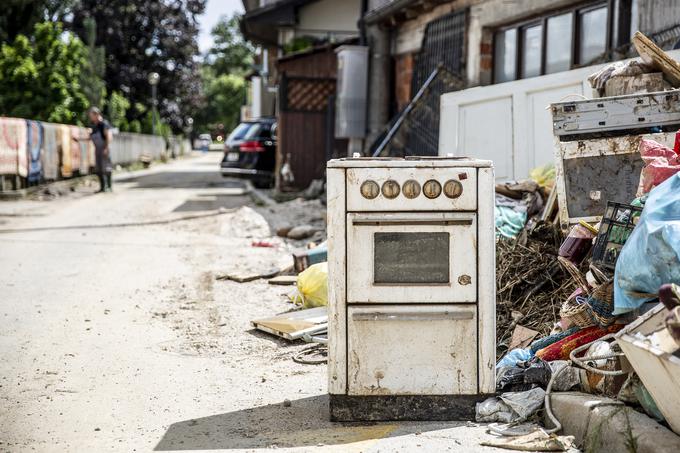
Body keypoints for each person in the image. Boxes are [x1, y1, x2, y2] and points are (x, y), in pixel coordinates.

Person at [88, 107, 113, 192]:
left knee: (106, 168)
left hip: (104, 148)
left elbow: (109, 136)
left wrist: (106, 147)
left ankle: (109, 187)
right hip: (97, 149)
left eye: (91, 115)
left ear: (96, 114)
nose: (90, 117)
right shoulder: (94, 126)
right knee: (98, 169)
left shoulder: (103, 124)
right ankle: (102, 187)